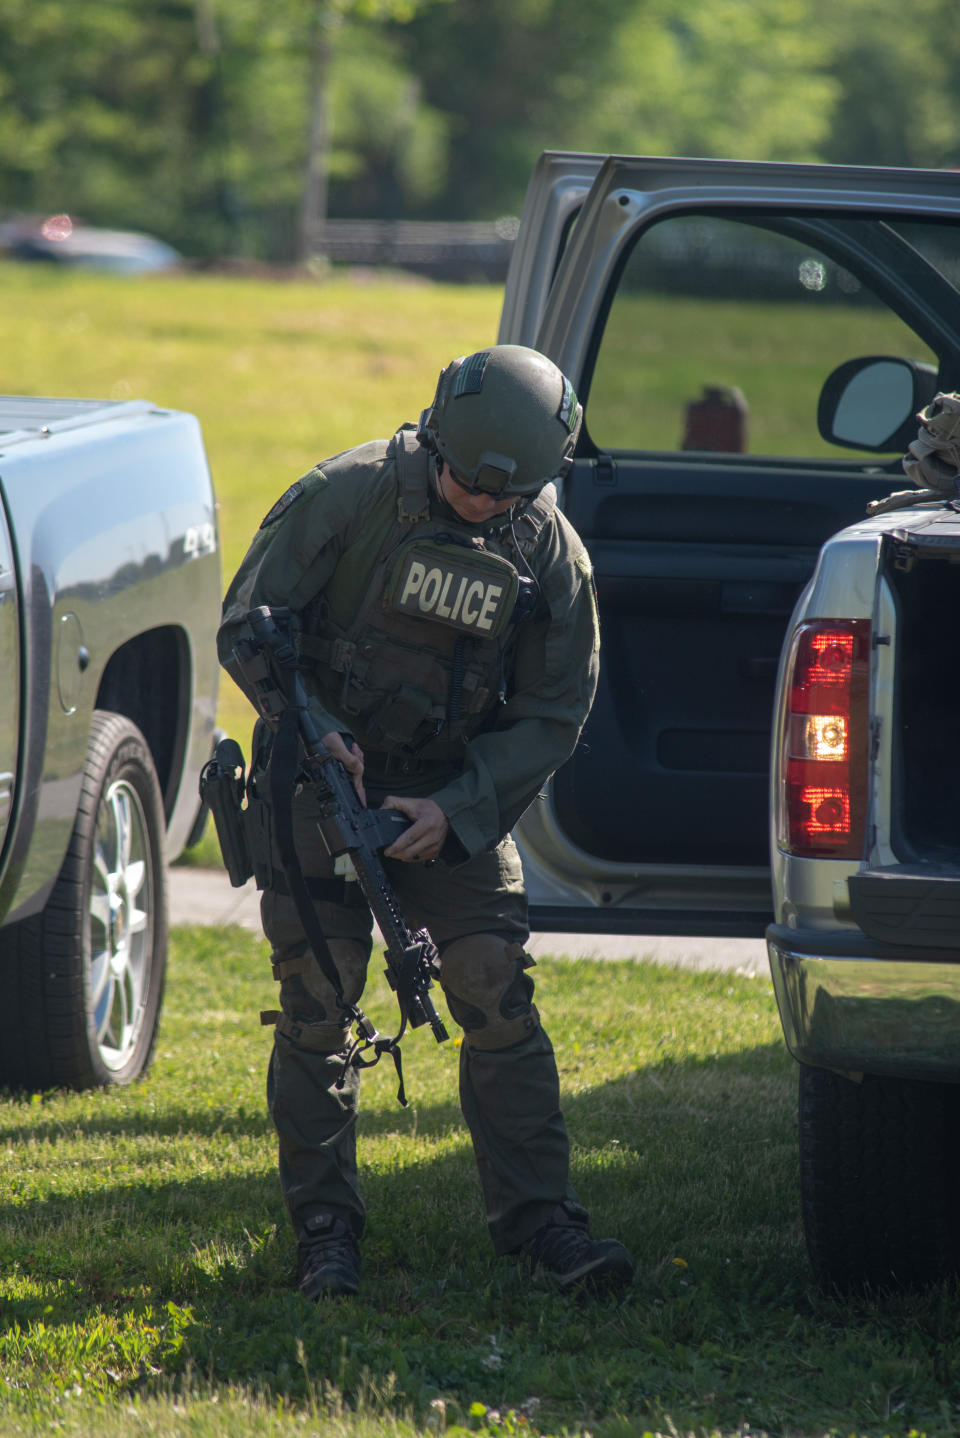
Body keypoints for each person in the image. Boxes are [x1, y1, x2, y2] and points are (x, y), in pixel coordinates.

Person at [217, 343, 635, 1299]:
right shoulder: (348, 494)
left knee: (493, 992)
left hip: (453, 797)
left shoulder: (549, 554)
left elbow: (555, 712)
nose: (482, 505)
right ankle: (324, 1228)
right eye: (465, 484)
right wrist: (316, 732)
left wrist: (454, 809)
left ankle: (542, 1222)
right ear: (436, 436)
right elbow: (250, 621)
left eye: (507, 497)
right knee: (321, 1005)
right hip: (319, 781)